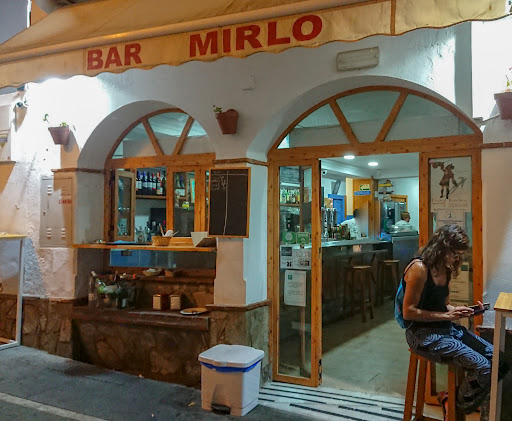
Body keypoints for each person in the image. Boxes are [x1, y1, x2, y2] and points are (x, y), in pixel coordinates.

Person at [402, 224, 508, 417]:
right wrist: (446, 316)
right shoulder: (419, 268)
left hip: (446, 329)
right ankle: (453, 407)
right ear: (441, 247)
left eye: (459, 254)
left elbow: (445, 307)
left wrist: (462, 311)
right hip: (421, 335)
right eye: (454, 253)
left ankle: (453, 402)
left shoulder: (446, 269)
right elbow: (408, 312)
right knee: (484, 367)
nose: (456, 259)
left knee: (500, 362)